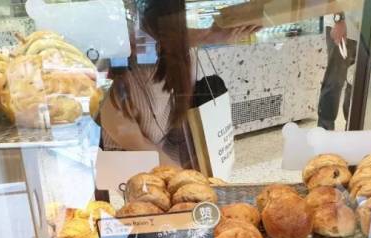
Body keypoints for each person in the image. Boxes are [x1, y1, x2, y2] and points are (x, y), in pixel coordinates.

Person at [101, 0, 260, 167]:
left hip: (163, 162)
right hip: (122, 170)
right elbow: (137, 144)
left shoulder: (177, 59)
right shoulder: (111, 79)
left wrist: (211, 35)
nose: (132, 35)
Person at [317, 12, 360, 130]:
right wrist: (339, 19)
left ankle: (352, 130)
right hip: (344, 25)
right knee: (334, 82)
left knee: (356, 85)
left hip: (367, 27)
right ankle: (324, 134)